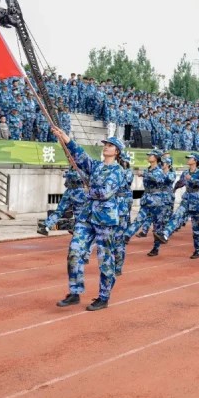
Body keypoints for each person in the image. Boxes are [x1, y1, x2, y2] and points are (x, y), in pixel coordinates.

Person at [51, 127, 129, 311]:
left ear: (117, 152)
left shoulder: (118, 171)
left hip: (105, 220)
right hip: (87, 216)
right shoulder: (97, 166)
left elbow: (105, 193)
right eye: (106, 144)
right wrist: (66, 138)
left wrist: (89, 190)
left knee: (105, 259)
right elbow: (80, 156)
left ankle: (103, 297)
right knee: (74, 252)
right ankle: (75, 292)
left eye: (110, 145)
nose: (106, 147)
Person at [155, 153, 199, 258]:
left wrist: (191, 179)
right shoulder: (185, 172)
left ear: (195, 161)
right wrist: (174, 189)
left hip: (198, 203)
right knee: (177, 216)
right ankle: (165, 234)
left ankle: (197, 250)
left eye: (190, 158)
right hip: (186, 200)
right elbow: (181, 182)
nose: (188, 159)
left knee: (197, 228)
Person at [38, 169, 88, 235]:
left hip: (78, 192)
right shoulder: (73, 167)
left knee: (78, 212)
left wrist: (69, 174)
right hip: (70, 191)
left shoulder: (83, 167)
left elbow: (82, 176)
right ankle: (46, 226)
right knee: (60, 210)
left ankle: (76, 229)